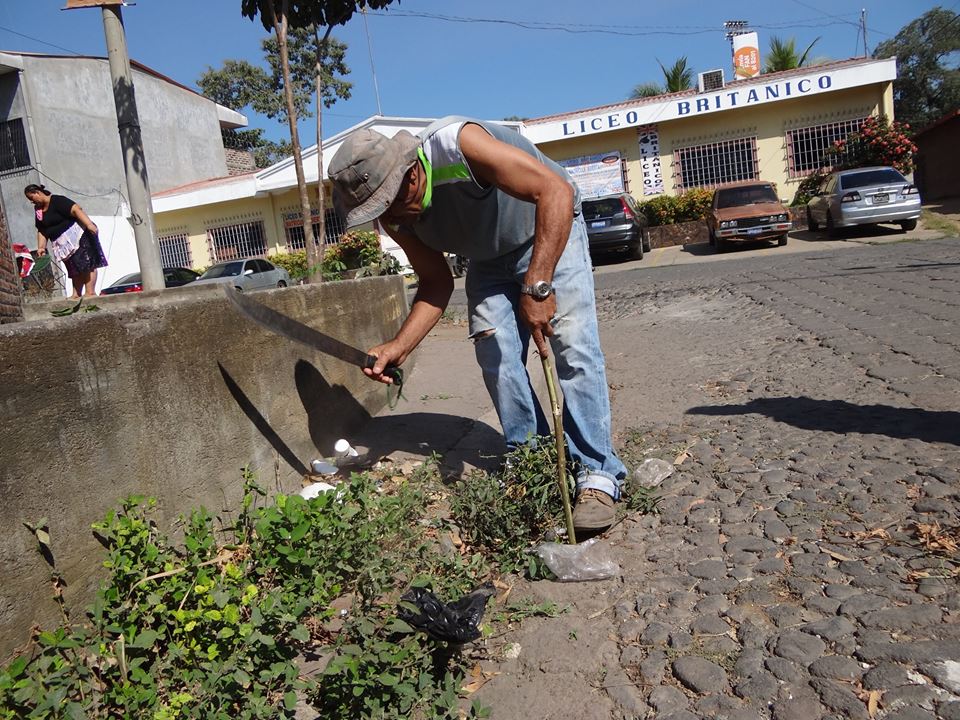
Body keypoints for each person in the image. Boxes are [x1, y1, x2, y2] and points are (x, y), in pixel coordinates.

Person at [328, 116, 627, 534]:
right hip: (488, 258)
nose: (393, 216)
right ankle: (533, 461)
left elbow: (554, 191)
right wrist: (399, 345)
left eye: (393, 201)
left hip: (548, 226)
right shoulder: (396, 216)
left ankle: (598, 473)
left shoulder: (458, 146)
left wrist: (538, 286)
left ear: (411, 171)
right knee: (495, 353)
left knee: (572, 346)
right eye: (381, 210)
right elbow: (435, 282)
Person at [25, 184, 107, 299]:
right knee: (72, 267)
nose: (32, 202)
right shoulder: (38, 211)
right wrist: (41, 247)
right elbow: (42, 230)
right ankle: (76, 294)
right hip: (61, 243)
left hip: (77, 235)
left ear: (37, 193)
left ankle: (90, 292)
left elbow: (76, 209)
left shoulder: (57, 200)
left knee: (86, 262)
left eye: (31, 198)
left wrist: (89, 224)